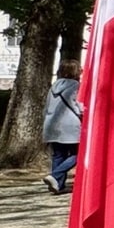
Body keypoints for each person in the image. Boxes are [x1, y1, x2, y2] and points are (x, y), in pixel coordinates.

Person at [41, 59, 82, 195]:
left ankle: (58, 185)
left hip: (52, 124)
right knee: (78, 154)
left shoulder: (54, 86)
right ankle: (55, 176)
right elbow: (75, 104)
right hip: (69, 125)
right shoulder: (75, 85)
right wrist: (83, 112)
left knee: (58, 155)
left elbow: (47, 106)